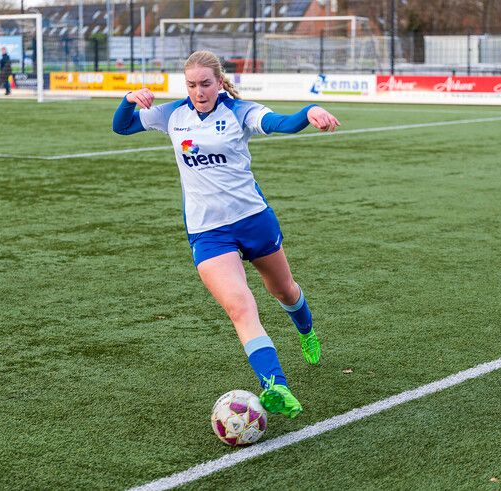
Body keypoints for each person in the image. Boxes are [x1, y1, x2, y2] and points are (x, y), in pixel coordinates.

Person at [112, 50, 340, 419]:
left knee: (285, 290)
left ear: (219, 82)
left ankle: (306, 330)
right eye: (192, 84)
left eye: (206, 83)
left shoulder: (240, 112)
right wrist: (127, 101)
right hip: (207, 232)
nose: (199, 91)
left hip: (253, 220)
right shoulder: (172, 114)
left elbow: (281, 122)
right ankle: (275, 385)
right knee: (241, 305)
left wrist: (309, 111)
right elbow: (122, 126)